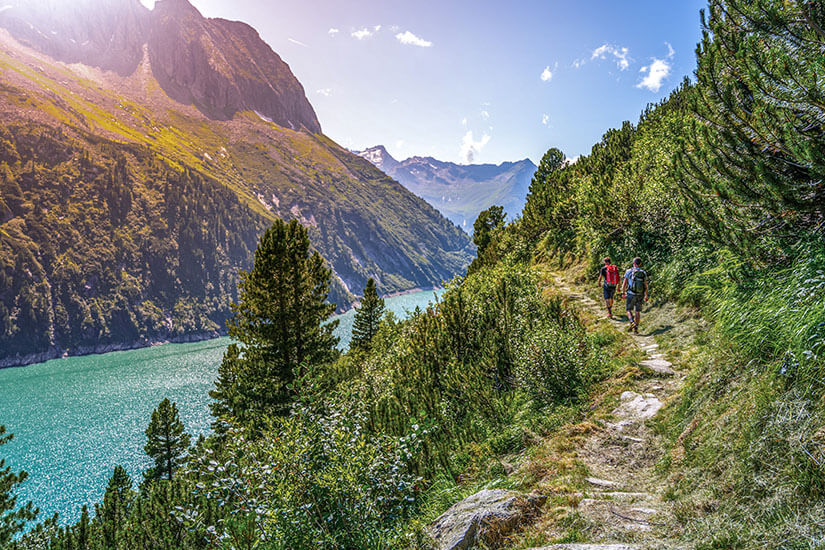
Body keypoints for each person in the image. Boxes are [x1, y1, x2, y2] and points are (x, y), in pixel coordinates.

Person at [621, 257, 649, 334]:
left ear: (633, 263)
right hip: (640, 294)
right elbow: (646, 285)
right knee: (637, 311)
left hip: (631, 293)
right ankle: (636, 327)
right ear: (640, 264)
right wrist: (646, 295)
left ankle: (632, 322)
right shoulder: (643, 273)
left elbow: (624, 283)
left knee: (628, 310)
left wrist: (623, 293)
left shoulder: (629, 271)